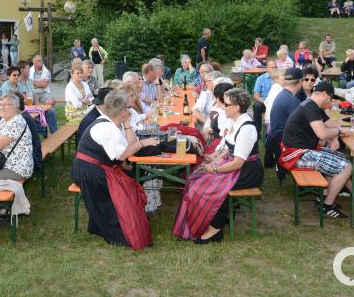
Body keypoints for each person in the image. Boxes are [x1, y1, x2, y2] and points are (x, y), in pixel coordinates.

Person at [173, 88, 263, 243]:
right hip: (235, 165)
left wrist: (214, 169)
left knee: (209, 186)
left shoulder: (247, 127)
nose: (222, 106)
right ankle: (203, 220)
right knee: (195, 179)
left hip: (247, 171)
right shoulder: (235, 121)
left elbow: (238, 162)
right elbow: (228, 147)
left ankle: (215, 228)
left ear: (236, 107)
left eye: (226, 104)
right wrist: (213, 160)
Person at [70, 89, 156, 250]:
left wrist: (127, 125)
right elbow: (123, 155)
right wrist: (143, 143)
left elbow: (125, 149)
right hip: (88, 172)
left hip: (94, 168)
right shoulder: (106, 127)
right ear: (122, 111)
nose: (130, 111)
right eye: (127, 109)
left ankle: (105, 224)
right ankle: (119, 231)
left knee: (129, 184)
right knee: (124, 191)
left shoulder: (111, 122)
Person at [280, 81, 354, 219]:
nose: (331, 101)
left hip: (301, 150)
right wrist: (337, 132)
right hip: (296, 155)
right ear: (323, 94)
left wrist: (336, 135)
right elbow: (322, 134)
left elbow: (330, 124)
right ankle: (327, 206)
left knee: (340, 158)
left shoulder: (312, 105)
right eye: (331, 98)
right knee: (345, 167)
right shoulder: (311, 107)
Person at [264, 68, 304, 172]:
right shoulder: (292, 100)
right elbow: (302, 126)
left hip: (277, 139)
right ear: (300, 81)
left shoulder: (283, 94)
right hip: (285, 143)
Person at [251, 60, 278, 137]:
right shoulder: (261, 78)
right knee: (257, 106)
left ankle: (275, 131)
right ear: (267, 68)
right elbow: (256, 95)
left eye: (275, 67)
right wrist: (265, 102)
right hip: (265, 101)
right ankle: (257, 131)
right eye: (272, 67)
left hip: (277, 102)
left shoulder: (280, 78)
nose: (274, 69)